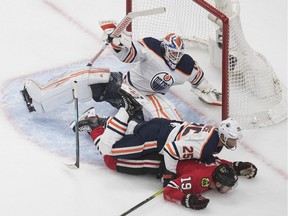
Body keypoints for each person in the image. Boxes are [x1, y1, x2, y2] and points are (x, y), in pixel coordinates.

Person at [21, 19, 222, 121]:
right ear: (164, 46)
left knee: (168, 121)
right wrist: (118, 43)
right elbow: (129, 55)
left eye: (178, 53)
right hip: (124, 87)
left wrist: (208, 92)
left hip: (148, 99)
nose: (175, 57)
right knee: (90, 77)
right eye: (172, 52)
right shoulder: (151, 47)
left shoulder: (186, 65)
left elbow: (199, 80)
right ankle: (41, 99)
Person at [70, 91, 243, 186]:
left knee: (130, 131)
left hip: (163, 126)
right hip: (154, 139)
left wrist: (234, 166)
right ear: (223, 135)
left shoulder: (212, 135)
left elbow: (204, 155)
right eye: (232, 139)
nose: (234, 143)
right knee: (109, 151)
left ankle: (99, 120)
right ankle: (122, 112)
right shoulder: (206, 145)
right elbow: (171, 151)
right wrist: (170, 174)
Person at [91, 151, 257, 210]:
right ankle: (95, 127)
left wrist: (238, 167)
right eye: (228, 186)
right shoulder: (198, 179)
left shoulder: (217, 167)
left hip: (172, 151)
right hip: (160, 162)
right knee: (111, 161)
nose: (230, 189)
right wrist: (186, 199)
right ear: (218, 183)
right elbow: (169, 190)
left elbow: (224, 164)